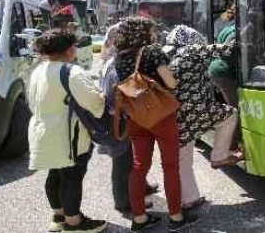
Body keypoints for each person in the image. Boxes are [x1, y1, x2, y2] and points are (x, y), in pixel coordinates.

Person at [114, 17, 198, 232]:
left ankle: (139, 219)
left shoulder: (120, 56)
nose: (154, 34)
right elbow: (169, 82)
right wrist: (175, 80)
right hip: (161, 116)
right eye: (151, 30)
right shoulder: (152, 51)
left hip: (136, 117)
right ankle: (176, 217)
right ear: (144, 33)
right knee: (170, 166)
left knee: (139, 167)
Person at [27, 29, 107, 233]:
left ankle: (59, 215)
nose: (76, 49)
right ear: (67, 49)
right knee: (72, 177)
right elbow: (93, 101)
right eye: (74, 46)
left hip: (42, 130)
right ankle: (74, 223)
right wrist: (102, 98)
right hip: (68, 134)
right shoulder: (71, 71)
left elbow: (31, 101)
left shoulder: (37, 70)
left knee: (54, 174)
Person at [163, 25, 241, 210]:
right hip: (199, 109)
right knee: (230, 114)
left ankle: (190, 200)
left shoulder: (170, 56)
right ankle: (219, 155)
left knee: (184, 162)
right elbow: (226, 49)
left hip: (178, 115)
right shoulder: (190, 50)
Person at [98, 23, 157, 218]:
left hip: (119, 118)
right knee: (123, 162)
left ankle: (131, 196)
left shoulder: (113, 60)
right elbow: (115, 97)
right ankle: (125, 203)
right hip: (120, 120)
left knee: (126, 161)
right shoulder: (117, 64)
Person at [208, 5, 242, 154]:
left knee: (231, 106)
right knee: (236, 109)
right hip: (224, 72)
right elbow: (230, 51)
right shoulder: (236, 31)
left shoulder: (226, 27)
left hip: (217, 70)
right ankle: (232, 145)